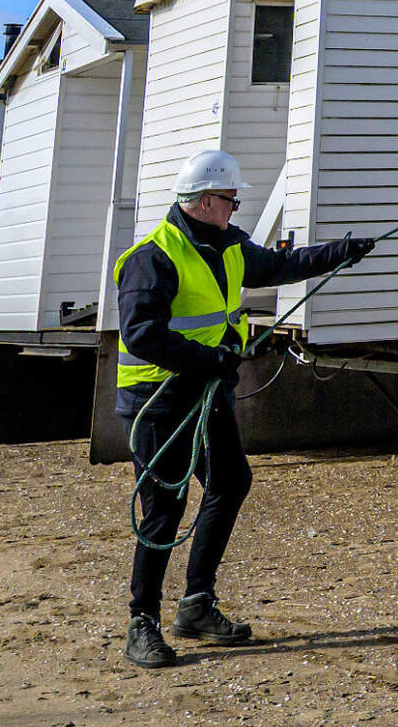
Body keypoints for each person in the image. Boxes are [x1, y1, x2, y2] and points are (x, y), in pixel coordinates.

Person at [115, 150, 374, 667]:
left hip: (207, 393)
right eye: (232, 200)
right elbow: (141, 334)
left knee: (230, 482)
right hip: (159, 402)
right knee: (163, 511)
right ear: (206, 201)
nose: (237, 209)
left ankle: (196, 605)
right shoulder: (153, 256)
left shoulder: (228, 245)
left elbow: (280, 265)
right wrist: (209, 360)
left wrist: (340, 252)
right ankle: (142, 621)